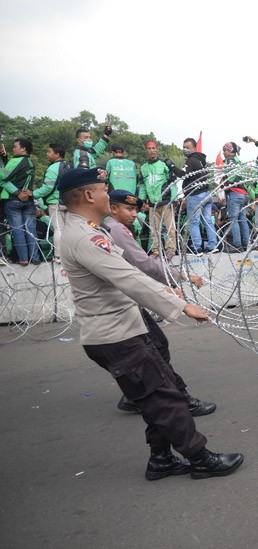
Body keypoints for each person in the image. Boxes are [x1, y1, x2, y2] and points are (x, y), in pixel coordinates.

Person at [58, 167, 243, 480]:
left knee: (156, 396)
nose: (107, 193)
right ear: (89, 195)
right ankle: (200, 458)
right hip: (115, 335)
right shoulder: (85, 237)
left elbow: (126, 274)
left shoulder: (89, 230)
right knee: (165, 398)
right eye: (104, 189)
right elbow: (128, 277)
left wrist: (167, 290)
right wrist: (181, 304)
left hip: (122, 329)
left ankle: (161, 459)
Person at [103, 190, 216, 416]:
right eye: (129, 209)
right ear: (113, 208)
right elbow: (145, 264)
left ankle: (134, 396)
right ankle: (180, 399)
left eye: (135, 209)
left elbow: (131, 269)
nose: (134, 214)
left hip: (121, 299)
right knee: (156, 346)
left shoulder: (106, 227)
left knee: (148, 348)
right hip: (125, 300)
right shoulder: (116, 229)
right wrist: (181, 276)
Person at [170, 137, 214, 254]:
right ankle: (213, 245)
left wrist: (172, 166)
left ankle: (197, 247)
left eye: (188, 147)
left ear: (194, 148)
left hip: (195, 194)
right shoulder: (201, 160)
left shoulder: (191, 160)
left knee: (194, 222)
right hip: (206, 193)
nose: (185, 149)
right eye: (184, 147)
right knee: (208, 221)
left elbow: (184, 175)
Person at [0, 138, 40, 266]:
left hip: (13, 201)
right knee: (31, 229)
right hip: (28, 201)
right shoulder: (31, 163)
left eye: (15, 146)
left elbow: (2, 177)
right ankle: (36, 258)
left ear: (23, 149)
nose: (13, 148)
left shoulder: (16, 160)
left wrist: (17, 193)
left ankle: (23, 259)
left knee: (18, 230)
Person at [138, 141, 178, 259]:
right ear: (146, 150)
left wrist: (174, 198)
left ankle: (170, 250)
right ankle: (156, 250)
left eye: (153, 148)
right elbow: (143, 186)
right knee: (154, 229)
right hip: (152, 204)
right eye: (149, 148)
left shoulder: (164, 164)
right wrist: (141, 200)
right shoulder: (144, 167)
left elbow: (173, 182)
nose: (151, 150)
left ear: (157, 149)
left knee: (170, 228)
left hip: (166, 201)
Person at [32, 143, 71, 259]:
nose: (47, 154)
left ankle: (59, 256)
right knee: (69, 230)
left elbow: (48, 188)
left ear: (57, 154)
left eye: (49, 151)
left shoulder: (52, 168)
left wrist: (32, 194)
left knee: (59, 229)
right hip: (69, 202)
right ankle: (70, 255)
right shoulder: (69, 166)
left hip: (55, 203)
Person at [220, 142, 251, 252]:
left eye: (224, 150)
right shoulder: (239, 162)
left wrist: (226, 182)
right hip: (243, 193)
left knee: (233, 219)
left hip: (235, 193)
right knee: (242, 219)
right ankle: (246, 243)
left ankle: (237, 245)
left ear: (229, 151)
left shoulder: (230, 161)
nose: (223, 153)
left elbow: (232, 177)